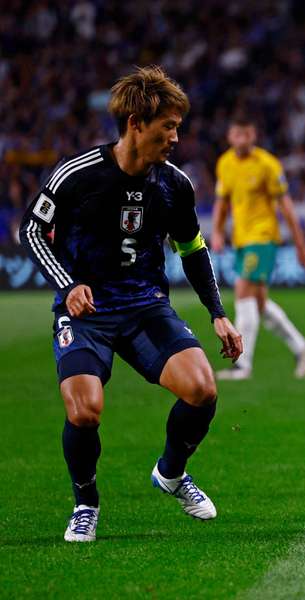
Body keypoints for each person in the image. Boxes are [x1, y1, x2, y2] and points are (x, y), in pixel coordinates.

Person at [18, 66, 243, 543]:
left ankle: (171, 473)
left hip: (145, 307)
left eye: (178, 127)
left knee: (203, 388)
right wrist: (68, 282)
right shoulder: (77, 174)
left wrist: (218, 313)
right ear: (137, 124)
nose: (176, 137)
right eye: (169, 127)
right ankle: (85, 505)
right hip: (87, 312)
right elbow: (32, 230)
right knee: (84, 412)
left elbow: (192, 249)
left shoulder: (175, 185)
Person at [212, 115, 305, 380]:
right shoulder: (224, 164)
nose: (241, 139)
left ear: (253, 135)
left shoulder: (268, 164)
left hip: (263, 237)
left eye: (246, 134)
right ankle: (301, 346)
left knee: (243, 292)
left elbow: (286, 207)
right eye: (237, 134)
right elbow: (222, 202)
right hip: (241, 240)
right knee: (258, 303)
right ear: (230, 136)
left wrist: (301, 245)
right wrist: (216, 232)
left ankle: (242, 365)